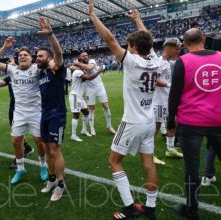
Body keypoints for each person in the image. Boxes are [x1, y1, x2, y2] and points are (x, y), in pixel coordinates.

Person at [89, 2, 160, 219]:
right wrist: (138, 19)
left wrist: (93, 16)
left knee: (114, 161)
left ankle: (129, 208)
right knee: (148, 163)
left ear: (135, 48)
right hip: (149, 121)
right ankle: (150, 207)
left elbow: (109, 39)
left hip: (132, 122)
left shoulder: (132, 62)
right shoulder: (154, 59)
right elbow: (147, 38)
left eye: (129, 45)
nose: (127, 48)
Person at [168, 28, 221, 220]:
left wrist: (170, 122)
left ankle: (192, 210)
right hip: (218, 119)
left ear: (184, 44)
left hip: (191, 122)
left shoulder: (183, 61)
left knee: (191, 167)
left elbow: (174, 96)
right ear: (204, 40)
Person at [0, 40, 48, 185]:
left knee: (39, 142)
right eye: (20, 55)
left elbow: (53, 61)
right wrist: (4, 47)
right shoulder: (12, 70)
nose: (22, 57)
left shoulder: (36, 69)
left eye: (25, 55)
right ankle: (20, 168)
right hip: (19, 113)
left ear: (31, 58)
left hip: (36, 112)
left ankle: (43, 166)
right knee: (16, 141)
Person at [36, 17, 67, 201]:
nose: (37, 58)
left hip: (57, 114)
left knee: (55, 149)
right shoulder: (40, 73)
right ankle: (52, 179)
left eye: (40, 56)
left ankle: (61, 184)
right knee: (47, 149)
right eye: (37, 56)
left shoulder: (57, 68)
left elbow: (59, 52)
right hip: (44, 114)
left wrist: (50, 34)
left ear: (48, 58)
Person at [0, 65, 35, 170]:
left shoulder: (32, 75)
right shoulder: (10, 77)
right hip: (14, 109)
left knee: (25, 137)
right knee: (16, 134)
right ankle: (27, 148)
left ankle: (18, 159)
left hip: (29, 109)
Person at [152, 38, 183, 166]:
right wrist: (170, 85)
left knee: (173, 123)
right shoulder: (160, 62)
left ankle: (170, 149)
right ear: (169, 49)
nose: (179, 50)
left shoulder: (167, 62)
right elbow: (153, 79)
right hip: (159, 101)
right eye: (177, 48)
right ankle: (150, 154)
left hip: (168, 100)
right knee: (155, 129)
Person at [74, 52, 116, 136]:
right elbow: (71, 67)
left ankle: (109, 126)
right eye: (83, 56)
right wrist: (75, 65)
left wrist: (77, 63)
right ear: (80, 57)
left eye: (86, 55)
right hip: (89, 89)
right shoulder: (79, 67)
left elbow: (89, 67)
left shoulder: (92, 61)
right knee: (91, 109)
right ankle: (92, 128)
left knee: (105, 105)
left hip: (99, 86)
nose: (86, 57)